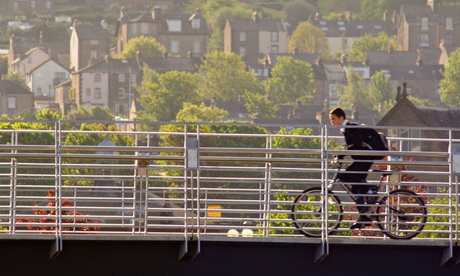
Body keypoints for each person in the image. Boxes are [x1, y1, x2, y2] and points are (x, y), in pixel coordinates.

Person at [329, 107, 377, 230]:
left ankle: (371, 188)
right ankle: (363, 218)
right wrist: (341, 155)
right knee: (356, 189)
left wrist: (341, 155)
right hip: (361, 159)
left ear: (341, 118)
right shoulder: (346, 128)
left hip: (365, 158)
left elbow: (356, 145)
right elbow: (352, 146)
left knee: (346, 176)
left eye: (333, 119)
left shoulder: (351, 127)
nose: (332, 122)